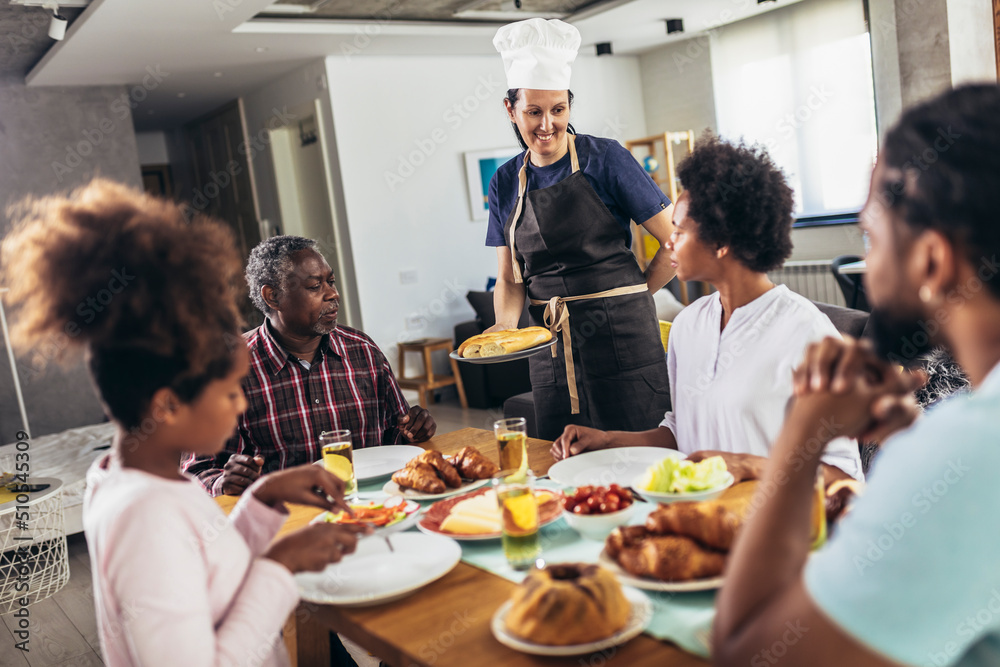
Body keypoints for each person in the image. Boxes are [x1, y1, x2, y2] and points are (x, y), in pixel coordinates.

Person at [0, 180, 367, 666]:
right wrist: (280, 568)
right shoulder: (143, 517)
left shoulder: (137, 477)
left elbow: (205, 568)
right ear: (168, 406)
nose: (241, 405)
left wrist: (262, 500)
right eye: (230, 391)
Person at [713, 84, 1000, 666]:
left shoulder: (970, 445)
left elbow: (747, 651)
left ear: (930, 261)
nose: (867, 262)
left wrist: (805, 430)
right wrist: (912, 449)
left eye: (871, 235)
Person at [551, 136, 863, 482]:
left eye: (680, 232)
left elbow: (843, 476)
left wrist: (749, 466)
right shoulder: (688, 325)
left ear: (721, 242)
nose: (668, 241)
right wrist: (608, 440)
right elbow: (682, 436)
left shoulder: (807, 333)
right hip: (697, 521)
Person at [487, 18, 677, 440]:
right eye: (533, 111)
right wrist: (504, 326)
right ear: (510, 109)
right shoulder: (504, 181)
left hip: (625, 340)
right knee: (566, 460)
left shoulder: (606, 158)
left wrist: (634, 295)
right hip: (551, 347)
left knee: (641, 458)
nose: (547, 125)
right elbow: (509, 276)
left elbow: (674, 241)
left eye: (559, 110)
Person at [182, 235, 436, 496]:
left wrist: (414, 431)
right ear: (273, 297)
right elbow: (198, 471)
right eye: (315, 286)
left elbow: (396, 436)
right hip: (287, 522)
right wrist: (224, 482)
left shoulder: (364, 351)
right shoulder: (228, 370)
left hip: (374, 506)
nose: (333, 294)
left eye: (331, 281)